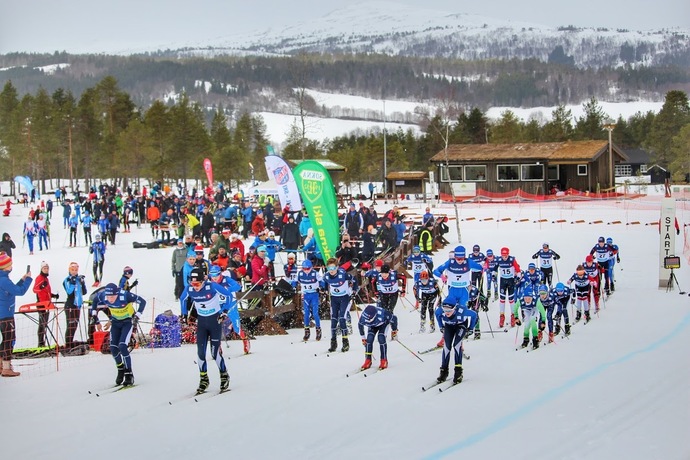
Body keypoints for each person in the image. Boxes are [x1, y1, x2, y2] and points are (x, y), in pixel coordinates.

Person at [179, 268, 233, 393]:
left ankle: (224, 375)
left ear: (203, 280)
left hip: (214, 322)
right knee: (200, 353)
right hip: (202, 323)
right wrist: (183, 314)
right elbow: (182, 299)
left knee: (215, 353)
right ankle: (204, 379)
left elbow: (228, 296)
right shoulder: (190, 288)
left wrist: (224, 312)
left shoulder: (212, 286)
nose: (195, 287)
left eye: (197, 284)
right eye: (193, 284)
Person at [91, 283, 147, 387]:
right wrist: (95, 318)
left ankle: (129, 373)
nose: (110, 299)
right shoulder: (103, 295)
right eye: (108, 297)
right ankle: (120, 369)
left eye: (112, 296)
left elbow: (143, 302)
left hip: (127, 322)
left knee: (122, 346)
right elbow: (94, 301)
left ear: (117, 293)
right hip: (116, 323)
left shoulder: (125, 295)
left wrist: (137, 316)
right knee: (113, 348)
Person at [0, 253, 31, 376]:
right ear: (4, 267)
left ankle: (2, 364)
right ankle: (7, 368)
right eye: (9, 264)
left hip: (4, 314)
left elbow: (11, 291)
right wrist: (28, 280)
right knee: (9, 339)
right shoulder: (3, 280)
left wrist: (22, 280)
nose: (11, 266)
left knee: (5, 340)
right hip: (6, 314)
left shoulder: (3, 278)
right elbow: (19, 291)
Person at [434, 296, 477, 384]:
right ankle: (444, 371)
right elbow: (437, 314)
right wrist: (441, 326)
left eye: (449, 310)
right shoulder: (440, 311)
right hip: (449, 326)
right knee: (446, 347)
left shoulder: (462, 311)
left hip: (461, 325)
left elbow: (474, 315)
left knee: (457, 345)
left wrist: (471, 328)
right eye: (445, 310)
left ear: (455, 308)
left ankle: (458, 372)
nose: (447, 313)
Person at [208, 265, 249, 354]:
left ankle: (244, 339)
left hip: (230, 303)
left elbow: (238, 286)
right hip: (218, 305)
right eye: (212, 275)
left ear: (220, 274)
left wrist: (227, 289)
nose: (214, 277)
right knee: (216, 324)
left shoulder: (226, 279)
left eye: (216, 275)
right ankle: (217, 346)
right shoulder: (209, 282)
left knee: (236, 324)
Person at [321, 257, 358, 353]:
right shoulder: (326, 276)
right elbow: (325, 282)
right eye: (329, 268)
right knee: (333, 320)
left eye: (333, 268)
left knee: (342, 319)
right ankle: (333, 343)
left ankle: (345, 342)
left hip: (344, 298)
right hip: (334, 299)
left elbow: (354, 280)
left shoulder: (343, 275)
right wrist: (325, 290)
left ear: (337, 267)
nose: (331, 271)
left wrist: (354, 291)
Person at [432, 245, 483, 310]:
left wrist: (484, 266)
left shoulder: (468, 262)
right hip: (453, 289)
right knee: (452, 309)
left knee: (463, 310)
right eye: (458, 258)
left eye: (462, 258)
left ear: (464, 257)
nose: (460, 261)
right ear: (455, 256)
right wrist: (442, 276)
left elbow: (480, 267)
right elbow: (436, 271)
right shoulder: (450, 262)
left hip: (464, 290)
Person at [358, 304, 398, 371]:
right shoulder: (364, 317)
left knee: (381, 338)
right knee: (369, 339)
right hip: (373, 326)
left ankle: (384, 360)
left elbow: (394, 318)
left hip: (383, 324)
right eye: (366, 319)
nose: (366, 321)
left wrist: (394, 330)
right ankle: (368, 360)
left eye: (369, 319)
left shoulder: (383, 314)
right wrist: (363, 338)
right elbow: (360, 325)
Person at [32, 261, 59, 348]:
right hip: (41, 304)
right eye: (44, 268)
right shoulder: (39, 278)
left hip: (47, 304)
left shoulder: (46, 279)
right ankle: (40, 343)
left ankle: (42, 342)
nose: (46, 270)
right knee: (42, 324)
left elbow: (46, 292)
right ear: (41, 269)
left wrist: (53, 295)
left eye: (47, 268)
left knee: (45, 324)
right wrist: (41, 286)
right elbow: (35, 289)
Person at [494, 247, 521, 328]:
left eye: (506, 255)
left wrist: (518, 277)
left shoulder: (512, 259)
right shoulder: (499, 260)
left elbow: (518, 269)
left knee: (511, 299)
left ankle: (513, 315)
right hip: (503, 281)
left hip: (511, 281)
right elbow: (494, 269)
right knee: (502, 299)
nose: (504, 257)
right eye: (503, 255)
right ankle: (502, 316)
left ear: (508, 254)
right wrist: (493, 275)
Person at [62, 261, 88, 349]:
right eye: (72, 270)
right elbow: (69, 292)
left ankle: (70, 343)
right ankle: (68, 344)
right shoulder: (67, 280)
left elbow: (84, 292)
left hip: (77, 305)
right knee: (71, 325)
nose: (74, 271)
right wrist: (72, 283)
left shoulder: (78, 279)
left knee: (75, 325)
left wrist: (82, 283)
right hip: (70, 305)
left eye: (76, 270)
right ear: (69, 270)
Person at [298, 260, 322, 342]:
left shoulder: (315, 273)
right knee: (306, 314)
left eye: (308, 268)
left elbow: (321, 280)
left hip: (314, 295)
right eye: (304, 268)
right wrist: (293, 286)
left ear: (311, 267)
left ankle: (318, 330)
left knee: (315, 313)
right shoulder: (300, 273)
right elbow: (294, 280)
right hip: (306, 295)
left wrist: (322, 286)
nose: (306, 270)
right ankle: (306, 331)